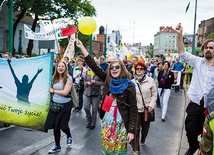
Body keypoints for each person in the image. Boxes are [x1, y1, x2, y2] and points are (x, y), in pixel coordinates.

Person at [76, 39, 139, 155]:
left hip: (122, 121)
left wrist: (131, 131)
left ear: (122, 69)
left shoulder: (129, 86)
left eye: (117, 67)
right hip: (107, 120)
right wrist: (82, 48)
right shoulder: (107, 80)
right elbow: (94, 66)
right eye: (112, 68)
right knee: (107, 149)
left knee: (119, 151)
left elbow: (134, 110)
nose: (114, 69)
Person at [176, 23, 214, 155]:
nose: (208, 50)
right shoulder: (197, 62)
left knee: (209, 132)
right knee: (190, 128)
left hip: (212, 106)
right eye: (206, 48)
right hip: (197, 103)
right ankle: (193, 147)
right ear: (203, 50)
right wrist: (179, 35)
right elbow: (182, 52)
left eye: (211, 48)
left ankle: (205, 150)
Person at [44, 61, 73, 154]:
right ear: (56, 68)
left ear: (65, 68)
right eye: (59, 66)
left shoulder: (68, 78)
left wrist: (53, 91)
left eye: (62, 66)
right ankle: (57, 146)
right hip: (54, 105)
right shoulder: (53, 78)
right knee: (55, 126)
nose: (60, 68)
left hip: (65, 106)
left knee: (63, 126)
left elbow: (65, 93)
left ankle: (68, 135)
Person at [132, 60, 157, 150]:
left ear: (144, 70)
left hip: (147, 109)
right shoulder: (132, 82)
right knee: (136, 129)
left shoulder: (150, 81)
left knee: (145, 128)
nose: (139, 70)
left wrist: (151, 105)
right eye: (137, 68)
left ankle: (143, 139)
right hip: (136, 109)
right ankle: (136, 148)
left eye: (141, 69)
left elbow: (154, 94)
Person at [83, 59, 103, 130]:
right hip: (87, 91)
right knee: (86, 107)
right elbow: (84, 81)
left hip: (96, 92)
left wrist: (95, 82)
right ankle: (89, 120)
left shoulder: (100, 71)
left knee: (94, 109)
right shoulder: (88, 70)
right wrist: (87, 83)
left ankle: (93, 123)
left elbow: (103, 82)